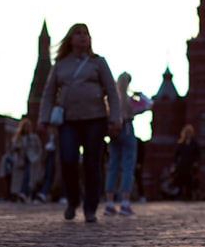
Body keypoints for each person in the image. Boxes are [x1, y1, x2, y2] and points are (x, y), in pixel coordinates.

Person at [38, 23, 121, 222]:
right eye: (78, 34)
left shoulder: (98, 63)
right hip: (68, 121)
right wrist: (43, 118)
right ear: (70, 39)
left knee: (93, 163)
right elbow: (49, 93)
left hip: (95, 119)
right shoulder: (60, 65)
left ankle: (90, 207)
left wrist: (115, 117)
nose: (83, 37)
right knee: (68, 160)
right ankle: (72, 201)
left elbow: (111, 91)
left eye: (86, 34)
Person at [103, 72, 138, 217]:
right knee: (128, 166)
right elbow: (147, 105)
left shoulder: (112, 100)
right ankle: (125, 203)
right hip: (128, 129)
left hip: (114, 131)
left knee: (113, 166)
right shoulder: (129, 99)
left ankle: (109, 203)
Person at [9, 118, 43, 203]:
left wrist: (38, 157)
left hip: (32, 160)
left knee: (31, 178)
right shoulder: (19, 138)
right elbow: (14, 148)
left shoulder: (33, 137)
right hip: (21, 160)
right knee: (22, 178)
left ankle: (26, 194)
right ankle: (21, 194)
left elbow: (39, 148)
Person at [173, 124, 201, 201]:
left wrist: (196, 162)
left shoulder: (194, 144)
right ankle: (181, 195)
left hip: (190, 165)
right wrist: (175, 163)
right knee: (181, 180)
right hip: (182, 165)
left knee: (189, 180)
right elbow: (176, 154)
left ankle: (189, 195)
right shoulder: (181, 143)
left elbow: (198, 154)